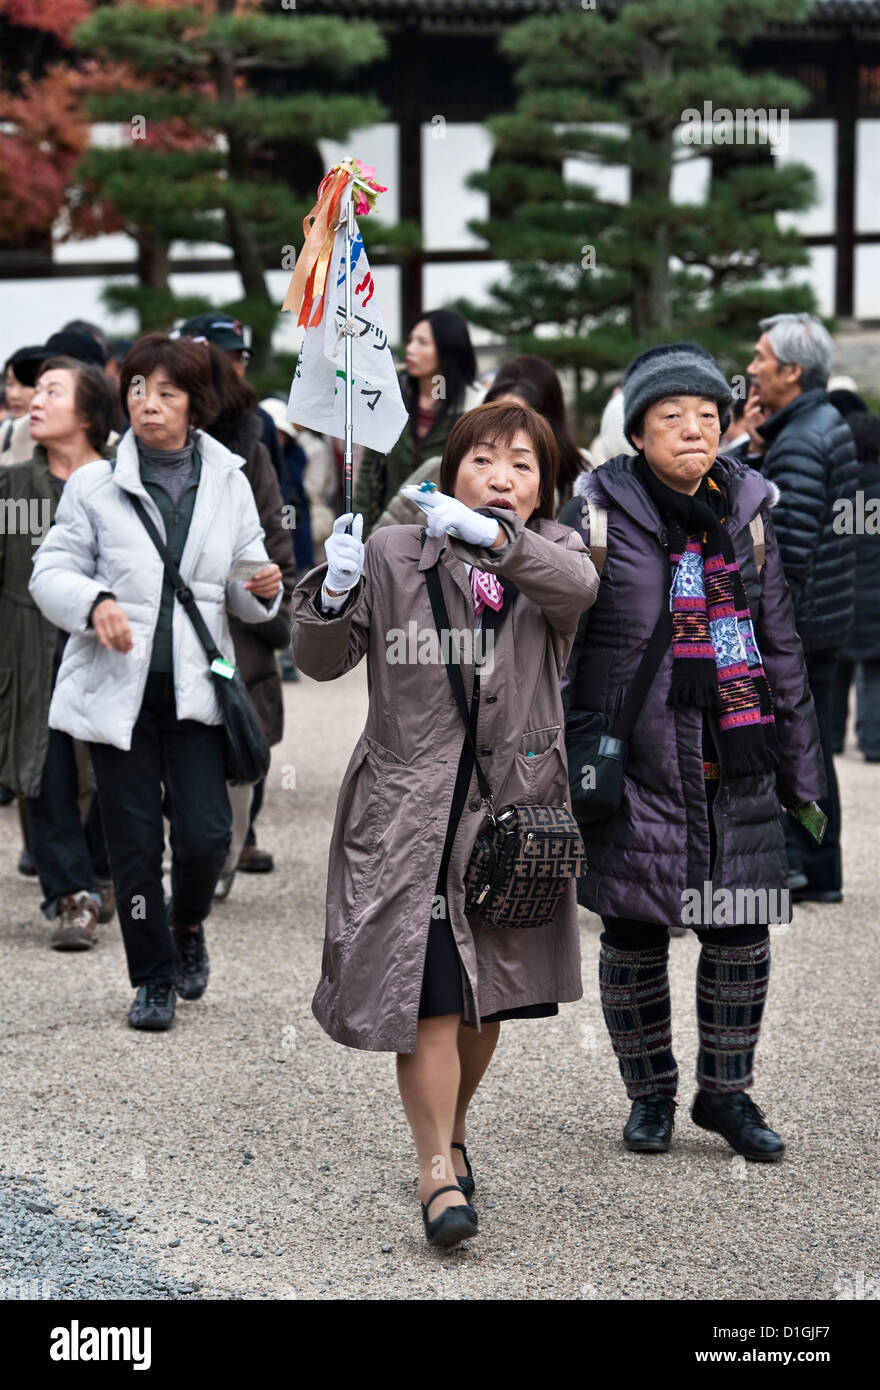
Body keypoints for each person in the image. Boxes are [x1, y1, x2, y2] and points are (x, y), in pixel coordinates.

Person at [290, 400, 598, 1247]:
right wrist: (336, 588)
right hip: (407, 812)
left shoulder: (556, 555)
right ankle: (435, 1171)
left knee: (481, 998)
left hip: (510, 816)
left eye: (522, 465)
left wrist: (496, 539)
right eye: (484, 459)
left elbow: (578, 592)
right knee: (424, 992)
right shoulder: (395, 551)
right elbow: (319, 662)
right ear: (450, 468)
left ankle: (454, 1128)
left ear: (544, 487)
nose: (501, 477)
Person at [560, 343, 825, 1162]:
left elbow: (778, 644)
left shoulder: (748, 509)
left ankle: (726, 1094)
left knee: (740, 931)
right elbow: (565, 646)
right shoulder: (597, 513)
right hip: (637, 760)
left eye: (708, 415)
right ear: (638, 431)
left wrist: (802, 774)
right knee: (635, 933)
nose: (693, 430)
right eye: (671, 416)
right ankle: (649, 1097)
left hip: (732, 759)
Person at [29, 333, 283, 1031]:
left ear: (197, 405)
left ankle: (189, 923)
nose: (149, 403)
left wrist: (260, 589)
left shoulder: (229, 478)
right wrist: (94, 604)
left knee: (205, 837)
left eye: (168, 392)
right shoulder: (93, 483)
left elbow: (245, 577)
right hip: (119, 697)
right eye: (139, 388)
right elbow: (49, 573)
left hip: (200, 693)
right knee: (135, 846)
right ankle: (153, 977)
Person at [0, 358, 119, 947]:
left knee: (117, 769)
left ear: (91, 412)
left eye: (53, 391)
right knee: (41, 775)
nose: (34, 400)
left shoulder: (126, 482)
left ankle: (104, 871)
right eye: (33, 390)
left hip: (109, 648)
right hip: (27, 652)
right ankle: (73, 895)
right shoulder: (14, 486)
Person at [741, 313, 858, 903]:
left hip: (802, 622)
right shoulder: (815, 424)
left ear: (791, 370)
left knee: (790, 747)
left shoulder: (804, 439)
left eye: (761, 357)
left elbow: (783, 550)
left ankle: (800, 865)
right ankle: (821, 869)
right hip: (829, 614)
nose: (752, 367)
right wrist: (761, 450)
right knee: (809, 747)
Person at [197, 344, 297, 898]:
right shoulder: (130, 454)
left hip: (236, 627)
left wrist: (267, 589)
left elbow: (272, 537)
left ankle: (222, 858)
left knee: (238, 748)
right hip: (163, 634)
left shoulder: (248, 451)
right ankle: (189, 863)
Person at [352, 308, 482, 536]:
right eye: (411, 340)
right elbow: (366, 478)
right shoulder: (390, 399)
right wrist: (360, 536)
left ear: (447, 349)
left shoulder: (475, 408)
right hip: (388, 534)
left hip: (446, 537)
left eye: (422, 342)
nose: (410, 349)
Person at [176, 313, 284, 483]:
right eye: (223, 358)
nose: (233, 369)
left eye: (240, 358)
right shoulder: (164, 415)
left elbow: (277, 499)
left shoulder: (261, 421)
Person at [830, 410, 880, 761]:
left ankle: (832, 736)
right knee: (876, 672)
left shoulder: (837, 486)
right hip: (876, 592)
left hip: (840, 589)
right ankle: (874, 740)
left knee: (836, 668)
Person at [484, 355, 589, 506]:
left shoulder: (581, 475)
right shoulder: (460, 464)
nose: (501, 483)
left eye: (522, 418)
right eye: (497, 414)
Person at [1, 332, 114, 467]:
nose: (35, 403)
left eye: (53, 392)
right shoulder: (12, 433)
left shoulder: (119, 455)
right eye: (38, 389)